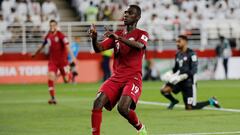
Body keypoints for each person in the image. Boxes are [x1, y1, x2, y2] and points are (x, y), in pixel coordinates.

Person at [89, 5, 149, 135]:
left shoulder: (142, 34)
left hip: (133, 77)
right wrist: (94, 38)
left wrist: (118, 38)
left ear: (137, 17)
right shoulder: (117, 35)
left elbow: (139, 46)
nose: (126, 15)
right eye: (126, 12)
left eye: (130, 13)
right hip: (116, 77)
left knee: (122, 108)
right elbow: (98, 49)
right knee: (97, 102)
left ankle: (140, 127)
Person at [160, 35, 221, 110]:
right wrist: (169, 73)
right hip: (178, 81)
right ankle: (174, 101)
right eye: (176, 42)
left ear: (185, 42)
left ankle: (211, 101)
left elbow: (194, 70)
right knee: (164, 90)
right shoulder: (177, 54)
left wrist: (183, 76)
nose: (177, 43)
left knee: (190, 107)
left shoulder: (192, 54)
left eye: (179, 41)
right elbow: (176, 69)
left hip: (189, 82)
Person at [32, 19, 76, 104]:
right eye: (50, 25)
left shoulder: (61, 35)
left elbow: (67, 47)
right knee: (50, 76)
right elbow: (42, 45)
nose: (52, 27)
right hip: (53, 61)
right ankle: (53, 98)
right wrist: (35, 53)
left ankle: (70, 73)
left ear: (56, 26)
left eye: (53, 25)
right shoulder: (48, 36)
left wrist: (73, 58)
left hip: (63, 61)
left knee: (66, 81)